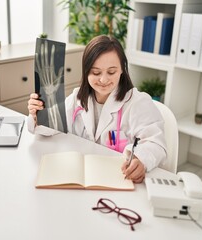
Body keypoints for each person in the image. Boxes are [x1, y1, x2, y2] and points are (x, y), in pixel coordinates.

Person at [27, 35, 167, 183]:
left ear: (122, 70)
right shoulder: (78, 98)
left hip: (117, 180)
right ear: (86, 71)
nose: (104, 80)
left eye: (111, 72)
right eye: (96, 72)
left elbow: (156, 143)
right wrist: (37, 115)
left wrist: (141, 159)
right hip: (81, 178)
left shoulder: (138, 103)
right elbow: (52, 125)